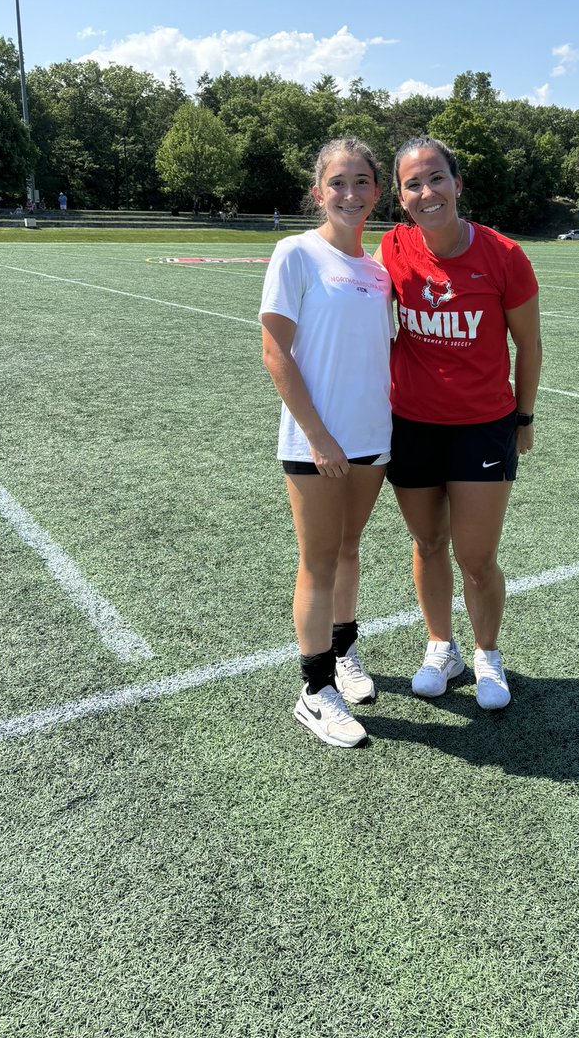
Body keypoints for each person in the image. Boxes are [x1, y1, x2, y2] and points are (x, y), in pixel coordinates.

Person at [377, 137, 541, 710]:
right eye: (414, 184)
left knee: (475, 556)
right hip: (412, 423)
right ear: (401, 197)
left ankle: (488, 655)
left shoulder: (504, 255)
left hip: (483, 426)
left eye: (436, 178)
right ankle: (440, 646)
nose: (428, 192)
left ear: (457, 183)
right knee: (427, 543)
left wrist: (523, 416)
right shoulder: (392, 248)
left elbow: (530, 345)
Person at [259, 138, 393, 748]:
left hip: (372, 437)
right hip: (318, 443)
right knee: (316, 560)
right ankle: (314, 691)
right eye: (337, 182)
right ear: (319, 192)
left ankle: (343, 652)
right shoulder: (296, 253)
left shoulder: (379, 270)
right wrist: (318, 436)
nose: (349, 193)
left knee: (348, 549)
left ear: (376, 192)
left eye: (361, 181)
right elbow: (275, 352)